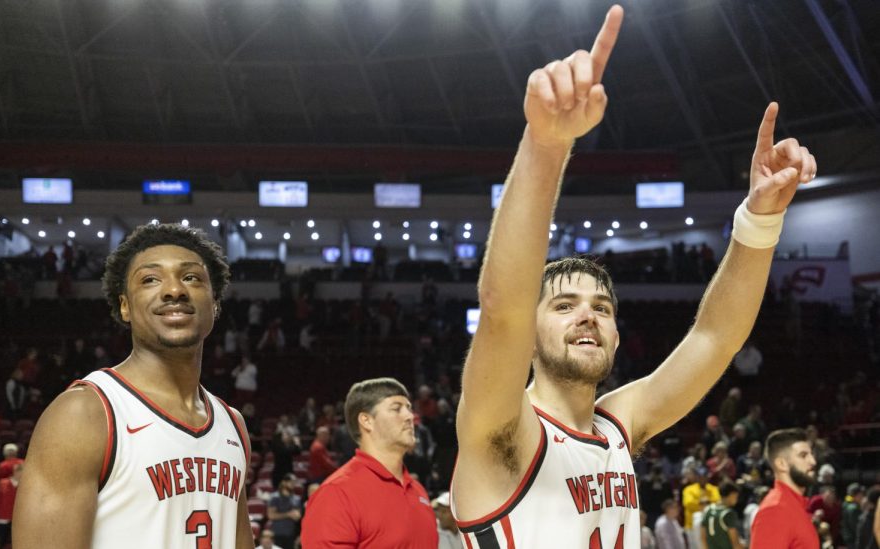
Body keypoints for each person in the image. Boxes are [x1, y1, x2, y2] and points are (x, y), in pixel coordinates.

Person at [449, 2, 816, 546]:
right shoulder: (503, 431)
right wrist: (547, 145)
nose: (587, 316)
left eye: (601, 307)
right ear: (532, 334)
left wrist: (759, 221)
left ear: (618, 333)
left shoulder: (619, 424)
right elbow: (502, 309)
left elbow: (714, 339)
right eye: (563, 303)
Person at [13, 223, 254, 548]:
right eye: (150, 279)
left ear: (215, 303)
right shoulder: (84, 415)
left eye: (191, 277)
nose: (174, 291)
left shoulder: (232, 424)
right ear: (124, 306)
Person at [301, 378, 437, 548]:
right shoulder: (336, 493)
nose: (410, 416)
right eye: (396, 409)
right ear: (366, 421)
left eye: (409, 408)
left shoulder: (419, 491)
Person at [749, 428, 819, 548]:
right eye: (803, 456)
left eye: (811, 454)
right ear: (781, 464)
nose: (813, 461)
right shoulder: (775, 509)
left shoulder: (793, 505)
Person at [700, 481, 743, 549]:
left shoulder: (708, 509)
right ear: (732, 495)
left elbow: (703, 536)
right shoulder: (728, 513)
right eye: (736, 496)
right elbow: (735, 542)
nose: (736, 500)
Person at [268, 473, 302, 549]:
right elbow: (271, 515)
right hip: (277, 534)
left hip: (291, 534)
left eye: (294, 482)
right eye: (291, 482)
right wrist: (288, 514)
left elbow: (297, 516)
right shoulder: (275, 497)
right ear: (284, 482)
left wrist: (296, 515)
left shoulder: (297, 499)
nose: (293, 484)